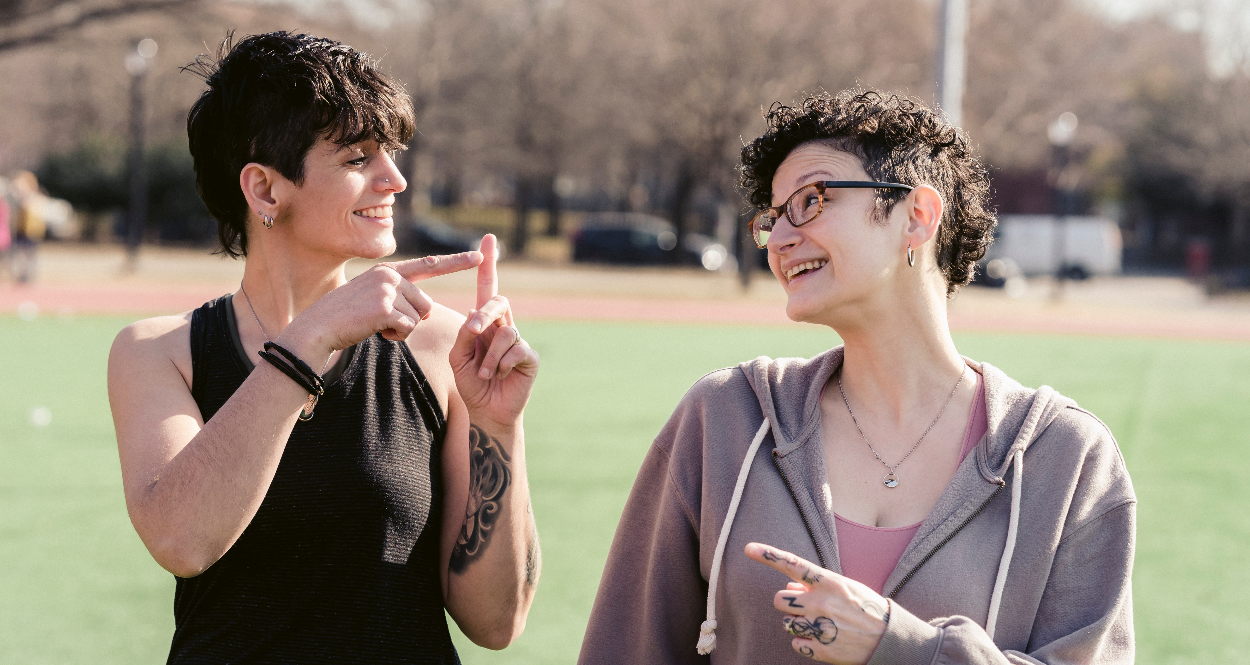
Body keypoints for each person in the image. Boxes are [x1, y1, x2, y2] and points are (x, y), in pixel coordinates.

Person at [580, 90, 1134, 664]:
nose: (781, 238)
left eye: (813, 200)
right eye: (773, 217)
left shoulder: (1067, 460)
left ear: (917, 217)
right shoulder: (724, 420)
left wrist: (899, 646)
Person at [107, 32, 541, 663]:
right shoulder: (159, 353)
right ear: (264, 190)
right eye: (358, 158)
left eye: (388, 152)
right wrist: (311, 337)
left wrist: (499, 424)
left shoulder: (441, 348)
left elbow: (496, 623)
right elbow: (183, 540)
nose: (394, 179)